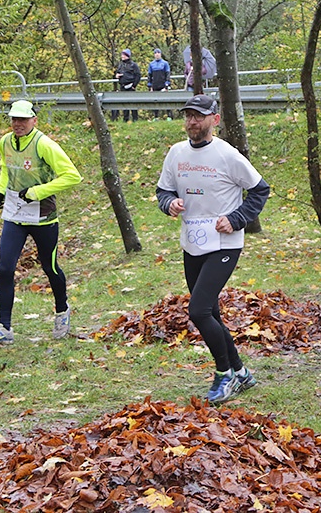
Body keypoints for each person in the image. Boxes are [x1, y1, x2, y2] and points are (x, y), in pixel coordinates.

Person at [156, 94, 270, 404]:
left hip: (224, 243)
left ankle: (224, 375)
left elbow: (260, 190)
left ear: (214, 120)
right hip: (192, 242)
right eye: (188, 116)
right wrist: (169, 203)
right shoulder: (176, 153)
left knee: (198, 310)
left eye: (199, 116)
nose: (192, 121)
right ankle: (240, 371)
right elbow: (163, 189)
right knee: (211, 312)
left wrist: (236, 219)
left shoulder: (228, 155)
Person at [0, 100, 83, 346]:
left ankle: (62, 311)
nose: (18, 124)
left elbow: (73, 176)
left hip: (43, 216)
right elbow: (7, 168)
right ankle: (3, 328)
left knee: (49, 267)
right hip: (15, 213)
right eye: (14, 119)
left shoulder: (44, 144)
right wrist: (0, 191)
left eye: (23, 120)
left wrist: (38, 191)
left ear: (34, 121)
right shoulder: (5, 141)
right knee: (5, 268)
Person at [114, 48, 142, 122]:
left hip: (131, 86)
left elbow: (138, 75)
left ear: (127, 56)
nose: (122, 56)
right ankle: (125, 119)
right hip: (123, 86)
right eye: (122, 55)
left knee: (133, 103)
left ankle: (135, 119)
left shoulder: (133, 65)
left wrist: (134, 85)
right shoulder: (121, 65)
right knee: (124, 103)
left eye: (123, 55)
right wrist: (117, 75)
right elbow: (117, 73)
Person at [147, 47, 171, 119]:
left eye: (158, 53)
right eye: (155, 53)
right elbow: (149, 75)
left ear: (160, 54)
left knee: (166, 100)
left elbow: (167, 74)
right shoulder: (151, 64)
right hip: (155, 85)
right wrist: (150, 85)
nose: (157, 54)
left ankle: (169, 116)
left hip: (163, 84)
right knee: (155, 101)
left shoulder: (165, 63)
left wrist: (167, 84)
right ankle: (156, 116)